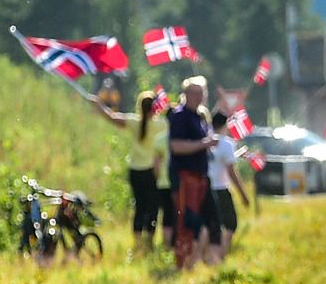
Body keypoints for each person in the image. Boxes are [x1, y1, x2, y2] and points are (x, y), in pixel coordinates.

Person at [98, 86, 167, 257]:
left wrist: (98, 104)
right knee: (152, 208)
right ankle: (148, 244)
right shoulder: (162, 124)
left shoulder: (133, 121)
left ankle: (136, 245)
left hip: (135, 170)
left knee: (139, 207)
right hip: (153, 171)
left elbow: (111, 117)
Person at [164, 76, 217, 271]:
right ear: (185, 94)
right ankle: (182, 263)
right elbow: (176, 146)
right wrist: (204, 144)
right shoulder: (180, 116)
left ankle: (194, 262)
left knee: (201, 220)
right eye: (193, 92)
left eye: (201, 93)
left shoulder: (199, 117)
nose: (198, 96)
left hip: (200, 176)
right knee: (186, 220)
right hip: (185, 176)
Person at [207, 110, 253, 260]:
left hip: (206, 189)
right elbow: (232, 172)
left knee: (211, 224)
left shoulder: (205, 141)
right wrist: (243, 194)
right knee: (230, 224)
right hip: (221, 188)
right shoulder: (226, 143)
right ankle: (221, 254)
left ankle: (211, 255)